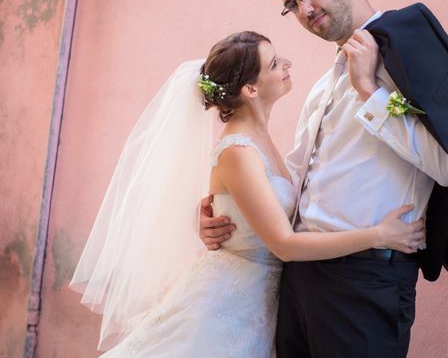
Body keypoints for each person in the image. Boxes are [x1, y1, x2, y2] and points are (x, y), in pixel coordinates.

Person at [200, 0, 448, 357]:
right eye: (291, 4)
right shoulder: (321, 86)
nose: (304, 8)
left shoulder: (408, 47)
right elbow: (292, 180)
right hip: (297, 279)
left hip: (364, 282)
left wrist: (369, 91)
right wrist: (226, 216)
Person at [71, 31, 426, 356]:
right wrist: (378, 236)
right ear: (250, 89)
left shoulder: (259, 141)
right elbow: (283, 243)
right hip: (228, 306)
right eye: (274, 63)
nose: (287, 65)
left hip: (261, 305)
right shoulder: (239, 151)